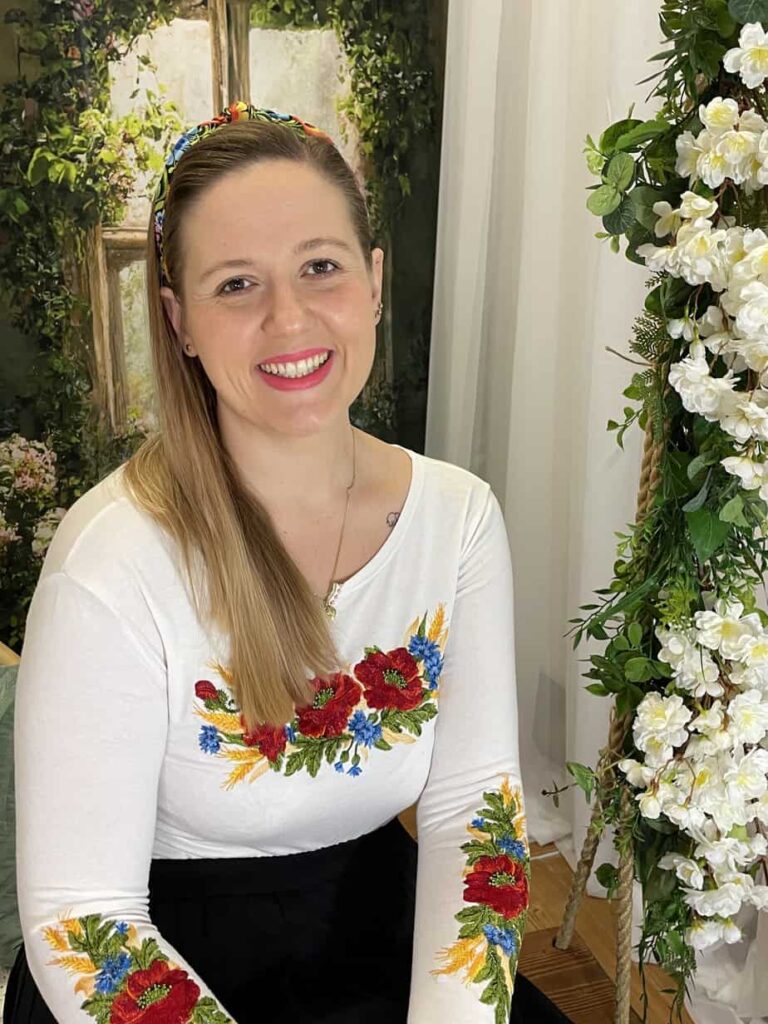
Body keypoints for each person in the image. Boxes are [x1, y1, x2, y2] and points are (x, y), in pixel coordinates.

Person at [5, 102, 570, 1023]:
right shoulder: (108, 562)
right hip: (149, 962)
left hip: (375, 932)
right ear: (178, 318)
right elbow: (82, 917)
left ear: (374, 282)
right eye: (236, 284)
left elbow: (475, 810)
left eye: (320, 266)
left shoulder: (458, 518)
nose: (290, 317)